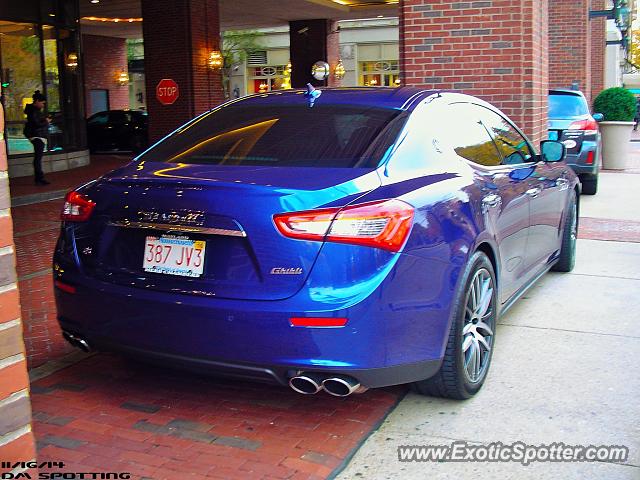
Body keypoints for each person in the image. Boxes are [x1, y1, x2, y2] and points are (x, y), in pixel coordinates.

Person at [23, 90, 50, 185]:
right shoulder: (33, 111)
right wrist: (46, 121)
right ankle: (39, 178)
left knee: (38, 158)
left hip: (36, 135)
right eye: (42, 103)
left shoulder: (33, 111)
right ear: (37, 101)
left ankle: (39, 178)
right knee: (38, 158)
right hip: (36, 135)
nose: (43, 105)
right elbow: (36, 124)